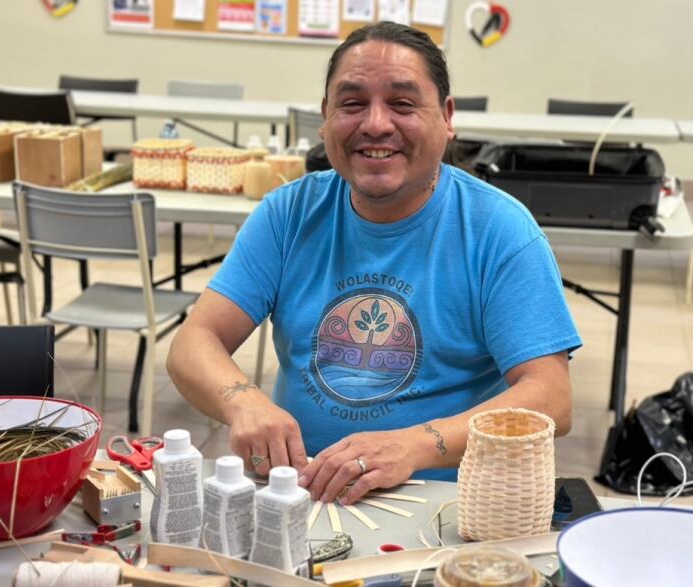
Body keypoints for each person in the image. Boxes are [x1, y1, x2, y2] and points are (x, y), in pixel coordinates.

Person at [168, 21, 581, 506]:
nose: (376, 124)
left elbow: (551, 397)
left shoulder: (499, 230)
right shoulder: (287, 215)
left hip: (441, 501)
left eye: (403, 103)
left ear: (446, 119)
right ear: (325, 118)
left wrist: (411, 445)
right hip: (301, 493)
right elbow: (194, 341)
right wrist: (244, 403)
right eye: (352, 103)